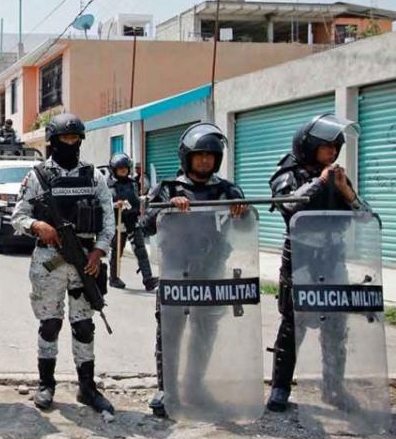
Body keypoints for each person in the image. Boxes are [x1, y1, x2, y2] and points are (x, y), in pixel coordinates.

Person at [139, 123, 247, 418]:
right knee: (170, 332)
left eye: (210, 156)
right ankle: (167, 389)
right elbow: (145, 224)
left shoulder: (227, 189)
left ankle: (195, 387)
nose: (204, 161)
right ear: (187, 157)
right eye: (199, 156)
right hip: (175, 269)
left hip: (211, 270)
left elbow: (247, 224)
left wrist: (242, 210)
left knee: (204, 331)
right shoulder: (168, 188)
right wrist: (167, 207)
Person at [11, 113, 116, 413]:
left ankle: (87, 387)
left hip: (85, 260)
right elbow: (17, 216)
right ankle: (46, 384)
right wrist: (37, 226)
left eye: (74, 139)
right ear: (53, 142)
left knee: (84, 325)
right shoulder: (37, 176)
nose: (69, 143)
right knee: (50, 323)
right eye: (63, 139)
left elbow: (108, 222)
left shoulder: (95, 177)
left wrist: (99, 250)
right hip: (50, 260)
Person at [266, 114, 370, 413]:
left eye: (336, 147)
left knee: (336, 324)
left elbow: (364, 215)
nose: (333, 153)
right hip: (300, 257)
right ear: (309, 146)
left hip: (333, 257)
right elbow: (288, 205)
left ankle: (333, 387)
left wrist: (346, 190)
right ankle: (281, 388)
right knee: (292, 325)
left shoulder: (337, 177)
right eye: (327, 147)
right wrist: (319, 182)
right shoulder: (288, 173)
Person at [105, 153, 157, 291]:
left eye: (125, 168)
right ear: (114, 169)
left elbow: (135, 199)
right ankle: (114, 278)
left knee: (140, 249)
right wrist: (115, 205)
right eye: (120, 168)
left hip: (132, 219)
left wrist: (142, 199)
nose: (123, 171)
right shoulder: (109, 185)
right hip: (118, 221)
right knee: (117, 250)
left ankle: (148, 279)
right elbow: (103, 203)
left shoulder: (132, 183)